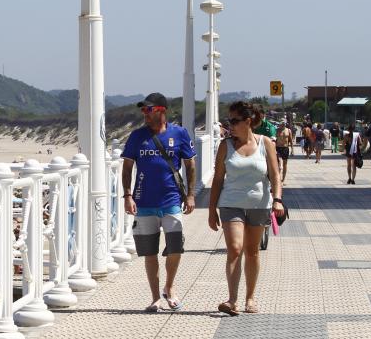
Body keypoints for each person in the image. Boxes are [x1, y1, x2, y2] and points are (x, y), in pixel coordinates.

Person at [121, 92, 196, 313]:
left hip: (171, 199)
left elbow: (190, 166)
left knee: (175, 247)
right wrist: (127, 195)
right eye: (143, 110)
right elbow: (127, 168)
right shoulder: (137, 136)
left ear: (161, 110)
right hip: (144, 201)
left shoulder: (179, 134)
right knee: (150, 252)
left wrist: (191, 195)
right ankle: (155, 298)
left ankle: (169, 288)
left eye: (149, 109)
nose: (144, 113)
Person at [208, 101, 284, 315]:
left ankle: (250, 297)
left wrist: (277, 199)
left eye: (234, 121)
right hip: (230, 203)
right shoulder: (225, 146)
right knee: (234, 248)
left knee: (252, 252)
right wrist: (212, 209)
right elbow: (217, 180)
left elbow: (275, 176)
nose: (229, 125)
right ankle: (232, 300)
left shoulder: (265, 143)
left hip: (259, 204)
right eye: (228, 121)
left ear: (248, 122)